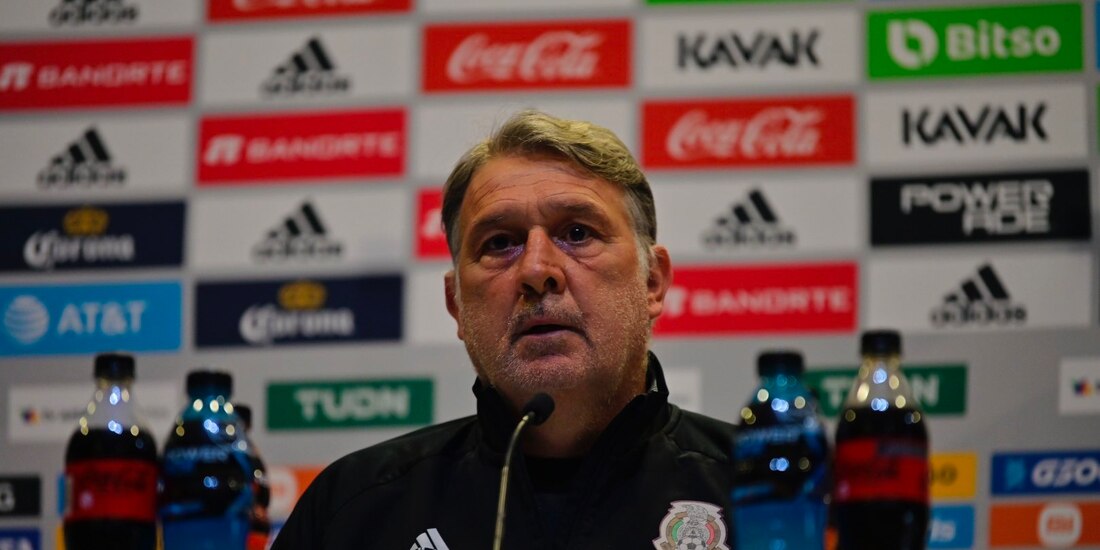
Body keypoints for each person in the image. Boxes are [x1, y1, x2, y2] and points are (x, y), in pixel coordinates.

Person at [271, 110, 735, 549]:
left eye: (577, 233)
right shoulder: (352, 511)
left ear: (651, 283)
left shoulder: (767, 494)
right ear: (456, 304)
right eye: (500, 243)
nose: (536, 269)